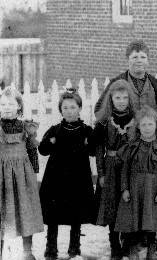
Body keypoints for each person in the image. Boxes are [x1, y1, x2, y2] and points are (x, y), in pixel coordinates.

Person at [114, 106, 157, 260]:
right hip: (134, 189)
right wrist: (125, 189)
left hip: (153, 190)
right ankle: (132, 249)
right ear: (137, 127)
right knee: (133, 219)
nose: (147, 128)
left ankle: (151, 250)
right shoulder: (131, 147)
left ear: (156, 126)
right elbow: (125, 170)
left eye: (150, 124)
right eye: (143, 125)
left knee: (152, 219)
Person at [38, 90, 95, 260]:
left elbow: (94, 151)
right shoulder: (55, 130)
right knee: (53, 214)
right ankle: (51, 248)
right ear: (60, 110)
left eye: (73, 107)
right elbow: (42, 150)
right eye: (65, 108)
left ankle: (74, 247)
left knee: (75, 212)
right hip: (56, 178)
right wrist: (50, 142)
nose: (69, 111)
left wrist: (89, 142)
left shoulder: (86, 130)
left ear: (80, 108)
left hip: (78, 178)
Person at [93, 79, 138, 260]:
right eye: (117, 97)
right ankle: (114, 244)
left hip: (130, 167)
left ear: (130, 99)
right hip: (111, 167)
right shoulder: (105, 122)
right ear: (110, 99)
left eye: (124, 97)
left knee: (128, 203)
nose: (121, 101)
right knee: (112, 205)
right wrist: (101, 173)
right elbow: (98, 150)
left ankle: (127, 242)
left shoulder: (136, 119)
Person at [0, 88, 43, 260]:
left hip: (22, 175)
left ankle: (27, 251)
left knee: (26, 210)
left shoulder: (26, 127)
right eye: (3, 104)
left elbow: (32, 150)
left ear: (19, 106)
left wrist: (33, 173)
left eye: (11, 104)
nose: (7, 107)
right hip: (1, 176)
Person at [94, 40, 157, 114]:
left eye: (143, 57)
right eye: (135, 57)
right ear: (128, 59)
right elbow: (99, 108)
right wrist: (113, 124)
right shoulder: (116, 82)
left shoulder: (155, 83)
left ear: (147, 60)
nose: (139, 60)